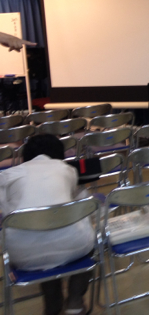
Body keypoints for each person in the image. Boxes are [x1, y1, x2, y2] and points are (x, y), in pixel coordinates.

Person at [0, 134, 95, 315]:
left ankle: (52, 303)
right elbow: (78, 201)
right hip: (75, 245)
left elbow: (6, 213)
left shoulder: (7, 175)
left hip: (23, 253)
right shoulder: (67, 170)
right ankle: (75, 301)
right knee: (87, 238)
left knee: (41, 239)